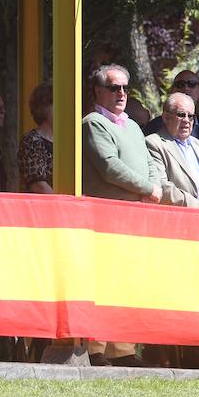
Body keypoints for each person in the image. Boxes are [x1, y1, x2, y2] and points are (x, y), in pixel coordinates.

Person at [82, 64, 160, 367]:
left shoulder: (133, 126)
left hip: (134, 217)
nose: (122, 93)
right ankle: (97, 348)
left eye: (125, 88)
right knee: (103, 281)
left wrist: (153, 188)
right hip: (106, 218)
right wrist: (146, 187)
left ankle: (123, 348)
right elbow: (109, 166)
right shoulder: (93, 123)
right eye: (115, 87)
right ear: (98, 91)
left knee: (127, 282)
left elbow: (149, 164)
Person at [145, 93, 199, 210]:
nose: (187, 120)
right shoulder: (153, 143)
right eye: (181, 115)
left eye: (191, 116)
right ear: (166, 117)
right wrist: (197, 207)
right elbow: (161, 185)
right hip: (175, 219)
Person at [143, 70, 199, 143]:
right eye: (180, 84)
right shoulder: (155, 127)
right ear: (172, 90)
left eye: (192, 84)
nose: (186, 88)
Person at [18, 82, 53, 194]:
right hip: (42, 208)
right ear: (44, 107)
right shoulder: (32, 141)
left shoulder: (66, 143)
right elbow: (39, 186)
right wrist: (65, 207)